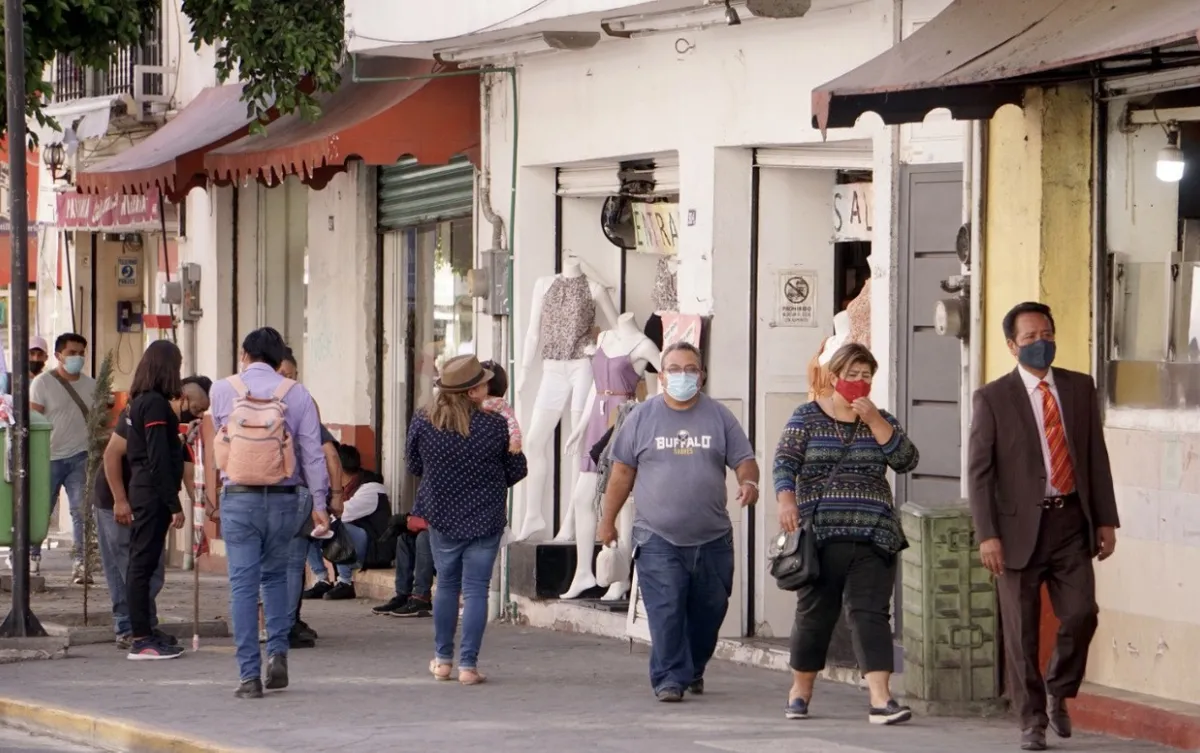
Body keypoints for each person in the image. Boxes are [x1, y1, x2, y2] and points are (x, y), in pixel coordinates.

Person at [968, 302, 1119, 752]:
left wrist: (1107, 518)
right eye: (1030, 337)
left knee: (1081, 613)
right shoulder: (993, 398)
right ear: (1012, 345)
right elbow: (979, 471)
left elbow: (1095, 457)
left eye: (1046, 334)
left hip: (1071, 522)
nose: (1041, 343)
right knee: (1022, 633)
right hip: (1016, 532)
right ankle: (1031, 721)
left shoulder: (1078, 388)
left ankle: (1059, 688)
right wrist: (987, 534)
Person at [598, 341, 759, 702]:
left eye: (690, 369)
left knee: (709, 611)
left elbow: (745, 460)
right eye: (674, 368)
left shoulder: (720, 416)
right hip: (657, 537)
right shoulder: (641, 417)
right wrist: (606, 521)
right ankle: (669, 678)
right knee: (667, 609)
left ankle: (692, 667)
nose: (682, 375)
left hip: (713, 538)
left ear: (701, 375)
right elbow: (621, 473)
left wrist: (749, 482)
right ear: (662, 375)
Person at [773, 342, 919, 725]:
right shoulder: (806, 417)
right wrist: (786, 501)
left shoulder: (881, 418)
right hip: (821, 536)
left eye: (866, 376)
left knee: (871, 614)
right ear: (835, 377)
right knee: (815, 615)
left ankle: (880, 699)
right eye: (852, 375)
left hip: (874, 533)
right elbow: (785, 463)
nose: (859, 382)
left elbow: (906, 460)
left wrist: (874, 421)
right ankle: (800, 691)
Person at [209, 327, 330, 699]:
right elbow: (313, 454)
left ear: (244, 355)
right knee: (276, 578)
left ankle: (249, 677)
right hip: (284, 498)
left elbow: (222, 442)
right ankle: (278, 654)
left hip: (239, 498)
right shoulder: (297, 393)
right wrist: (321, 505)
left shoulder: (222, 390)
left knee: (243, 587)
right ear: (281, 362)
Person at [407, 355, 527, 684]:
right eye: (484, 382)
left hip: (441, 514)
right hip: (485, 517)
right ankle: (468, 666)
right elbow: (517, 470)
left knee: (445, 584)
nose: (489, 385)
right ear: (473, 391)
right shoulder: (496, 424)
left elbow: (413, 465)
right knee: (476, 590)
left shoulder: (423, 419)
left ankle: (443, 660)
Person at [98, 379, 209, 651]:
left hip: (146, 503)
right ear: (182, 397)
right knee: (130, 566)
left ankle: (145, 625)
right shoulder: (146, 413)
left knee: (151, 569)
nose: (197, 417)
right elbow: (111, 455)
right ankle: (129, 628)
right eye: (195, 409)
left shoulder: (173, 431)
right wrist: (120, 500)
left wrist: (203, 515)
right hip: (118, 498)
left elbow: (186, 474)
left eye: (202, 413)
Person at [123, 340, 189, 660]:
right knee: (141, 564)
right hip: (150, 494)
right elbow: (158, 457)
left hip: (148, 491)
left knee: (146, 564)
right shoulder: (153, 405)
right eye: (177, 366)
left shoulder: (147, 402)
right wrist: (172, 502)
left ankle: (147, 629)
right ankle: (140, 638)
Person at [278, 348, 340, 647]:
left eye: (294, 376)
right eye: (285, 375)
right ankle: (287, 624)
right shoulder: (302, 402)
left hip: (252, 494)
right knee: (292, 562)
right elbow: (326, 453)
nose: (291, 381)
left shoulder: (244, 399)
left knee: (264, 564)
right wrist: (331, 497)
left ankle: (274, 623)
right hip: (297, 492)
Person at [29, 333, 96, 582]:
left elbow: (99, 420)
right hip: (48, 457)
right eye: (72, 353)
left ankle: (81, 564)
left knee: (81, 511)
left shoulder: (91, 386)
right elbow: (32, 421)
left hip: (80, 456)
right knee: (41, 510)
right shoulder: (42, 384)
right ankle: (33, 557)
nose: (77, 357)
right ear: (58, 355)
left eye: (81, 353)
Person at [304, 443, 391, 601]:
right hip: (352, 548)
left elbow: (341, 515)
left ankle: (345, 583)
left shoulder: (371, 489)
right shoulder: (341, 488)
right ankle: (322, 579)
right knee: (307, 529)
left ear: (338, 468)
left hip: (373, 551)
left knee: (338, 526)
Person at [371, 512, 435, 619]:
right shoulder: (430, 498)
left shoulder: (459, 498)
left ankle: (421, 598)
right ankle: (404, 596)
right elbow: (418, 514)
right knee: (405, 537)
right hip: (437, 548)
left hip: (452, 550)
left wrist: (412, 522)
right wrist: (406, 520)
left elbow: (447, 525)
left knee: (424, 537)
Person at [479, 360, 522, 453]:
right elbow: (512, 423)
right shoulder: (502, 404)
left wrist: (515, 440)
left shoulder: (471, 405)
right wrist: (515, 440)